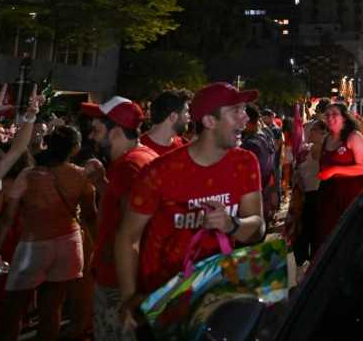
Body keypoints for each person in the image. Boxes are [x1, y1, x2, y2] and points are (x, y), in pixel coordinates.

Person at [114, 82, 264, 334]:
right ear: (208, 121)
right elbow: (128, 237)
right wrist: (130, 299)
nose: (245, 117)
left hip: (216, 298)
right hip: (163, 300)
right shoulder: (159, 172)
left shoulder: (245, 163)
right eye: (235, 110)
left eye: (244, 110)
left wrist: (232, 224)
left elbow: (258, 228)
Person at [0, 125, 96, 341]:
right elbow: (90, 216)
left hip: (34, 245)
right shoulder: (81, 176)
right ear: (75, 149)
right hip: (69, 244)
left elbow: (8, 216)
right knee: (52, 309)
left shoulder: (29, 175)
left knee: (13, 309)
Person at [81, 97, 156, 341]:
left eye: (97, 129)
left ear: (114, 132)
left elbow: (131, 229)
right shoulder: (142, 157)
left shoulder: (128, 167)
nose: (92, 136)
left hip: (117, 285)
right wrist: (102, 183)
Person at [313, 103, 363, 247]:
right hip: (328, 194)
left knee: (348, 237)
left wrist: (335, 170)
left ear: (344, 118)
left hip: (350, 194)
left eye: (334, 114)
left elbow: (362, 167)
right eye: (327, 115)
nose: (330, 117)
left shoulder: (353, 136)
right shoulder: (326, 139)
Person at [290, 118, 327, 266]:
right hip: (304, 197)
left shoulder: (328, 152)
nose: (310, 132)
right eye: (310, 129)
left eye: (314, 130)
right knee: (301, 234)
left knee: (318, 234)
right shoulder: (304, 151)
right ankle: (302, 265)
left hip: (321, 196)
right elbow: (296, 172)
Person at [139, 91, 189, 157]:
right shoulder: (139, 149)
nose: (189, 116)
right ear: (173, 116)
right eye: (186, 112)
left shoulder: (185, 145)